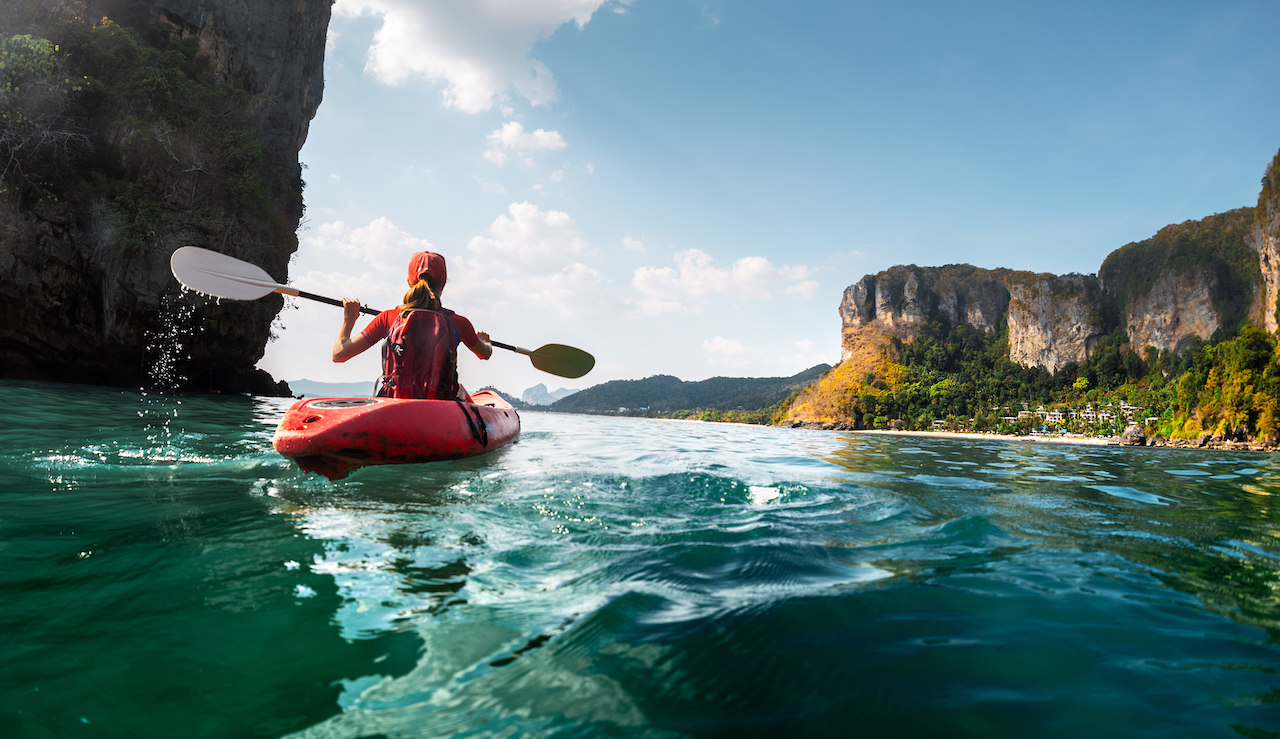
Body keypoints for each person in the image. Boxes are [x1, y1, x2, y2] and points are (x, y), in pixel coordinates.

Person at [332, 251, 492, 399]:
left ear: (409, 282)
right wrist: (484, 341)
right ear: (443, 284)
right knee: (461, 391)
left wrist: (349, 319)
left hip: (395, 405)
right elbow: (484, 354)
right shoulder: (459, 323)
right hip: (441, 407)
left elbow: (339, 355)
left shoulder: (389, 318)